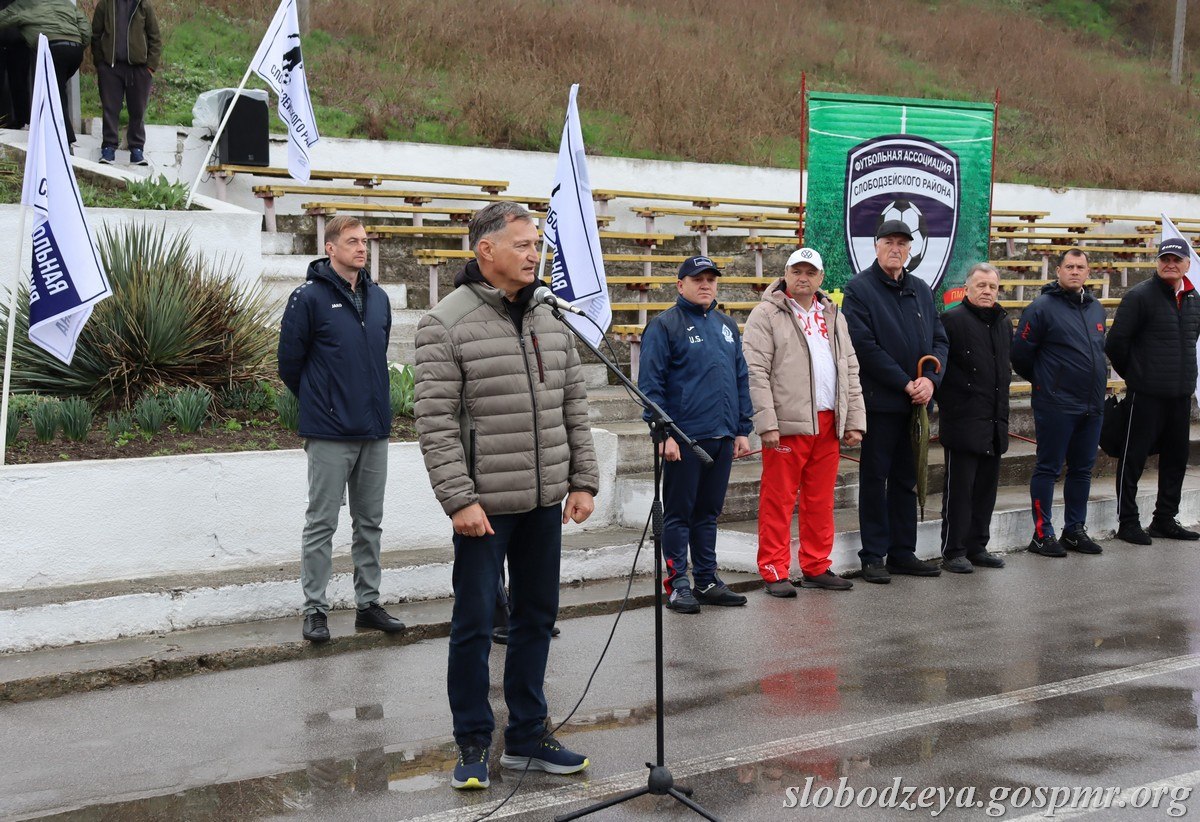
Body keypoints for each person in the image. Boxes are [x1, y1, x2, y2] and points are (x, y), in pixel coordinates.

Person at [414, 201, 599, 790]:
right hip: (485, 507)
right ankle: (472, 742)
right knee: (473, 624)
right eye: (521, 244)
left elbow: (573, 403)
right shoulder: (444, 323)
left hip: (546, 499)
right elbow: (435, 422)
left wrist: (583, 479)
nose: (533, 253)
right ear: (484, 250)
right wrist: (458, 499)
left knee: (537, 618)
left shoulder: (550, 315)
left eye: (536, 244)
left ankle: (526, 736)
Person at [277, 216, 404, 644]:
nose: (361, 248)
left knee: (370, 523)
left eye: (364, 241)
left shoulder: (380, 298)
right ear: (330, 248)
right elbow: (289, 365)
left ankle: (368, 604)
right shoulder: (307, 298)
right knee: (322, 523)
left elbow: (375, 354)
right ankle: (315, 609)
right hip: (330, 431)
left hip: (374, 430)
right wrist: (324, 400)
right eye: (352, 241)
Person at [741, 247, 865, 596]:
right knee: (778, 499)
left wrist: (853, 418)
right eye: (797, 271)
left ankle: (815, 565)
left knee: (820, 499)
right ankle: (774, 569)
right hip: (788, 423)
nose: (803, 277)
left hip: (827, 421)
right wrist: (766, 422)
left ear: (821, 278)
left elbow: (850, 369)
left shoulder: (833, 314)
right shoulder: (765, 314)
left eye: (810, 272)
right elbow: (755, 372)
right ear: (786, 273)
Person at [637, 255, 753, 613]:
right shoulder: (664, 326)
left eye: (711, 279)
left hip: (721, 435)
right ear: (680, 284)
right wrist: (664, 434)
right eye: (697, 278)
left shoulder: (726, 325)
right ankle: (678, 583)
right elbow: (650, 387)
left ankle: (706, 579)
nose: (706, 284)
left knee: (708, 512)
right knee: (678, 513)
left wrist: (742, 429)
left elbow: (740, 378)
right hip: (684, 439)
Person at [843, 220, 949, 584]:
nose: (896, 248)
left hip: (917, 404)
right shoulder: (859, 289)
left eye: (902, 243)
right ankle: (873, 555)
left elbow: (940, 341)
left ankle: (903, 551)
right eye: (889, 242)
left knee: (907, 479)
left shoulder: (920, 289)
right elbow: (865, 347)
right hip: (880, 403)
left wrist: (930, 381)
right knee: (875, 479)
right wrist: (906, 383)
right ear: (875, 247)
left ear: (910, 249)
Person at [1011, 248, 1107, 557]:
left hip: (1091, 403)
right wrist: (1046, 383)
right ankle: (1042, 534)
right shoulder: (1042, 307)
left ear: (1088, 273)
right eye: (1069, 266)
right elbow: (1020, 355)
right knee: (1048, 467)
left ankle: (1074, 530)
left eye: (1080, 267)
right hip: (1056, 403)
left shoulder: (1096, 309)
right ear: (1058, 271)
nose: (1075, 271)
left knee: (1082, 468)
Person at [1105, 237, 1200, 544]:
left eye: (1177, 260)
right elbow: (1115, 344)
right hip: (1146, 394)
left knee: (1176, 458)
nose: (1170, 264)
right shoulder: (1139, 296)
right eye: (1165, 259)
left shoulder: (1193, 298)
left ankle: (1164, 519)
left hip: (1180, 395)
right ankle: (1128, 521)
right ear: (1157, 262)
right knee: (1133, 458)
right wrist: (1138, 376)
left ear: (1187, 264)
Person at [936, 264, 1011, 573]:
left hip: (994, 421)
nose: (986, 291)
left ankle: (977, 546)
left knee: (985, 491)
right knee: (959, 493)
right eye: (980, 285)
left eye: (992, 287)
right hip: (963, 421)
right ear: (967, 289)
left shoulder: (1004, 323)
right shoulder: (951, 321)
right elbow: (940, 371)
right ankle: (953, 550)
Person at [0, 0, 90, 145]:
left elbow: (3, 19)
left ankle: (65, 140)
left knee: (55, 95)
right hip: (75, 51)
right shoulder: (66, 3)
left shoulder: (25, 4)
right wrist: (80, 43)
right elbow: (85, 27)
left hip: (54, 50)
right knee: (58, 91)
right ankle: (54, 132)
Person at [92, 0, 161, 165]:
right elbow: (95, 35)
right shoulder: (105, 4)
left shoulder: (143, 5)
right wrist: (101, 64)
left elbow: (155, 37)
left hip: (139, 69)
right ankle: (108, 148)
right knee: (110, 108)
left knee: (137, 110)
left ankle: (137, 149)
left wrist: (150, 67)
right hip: (111, 68)